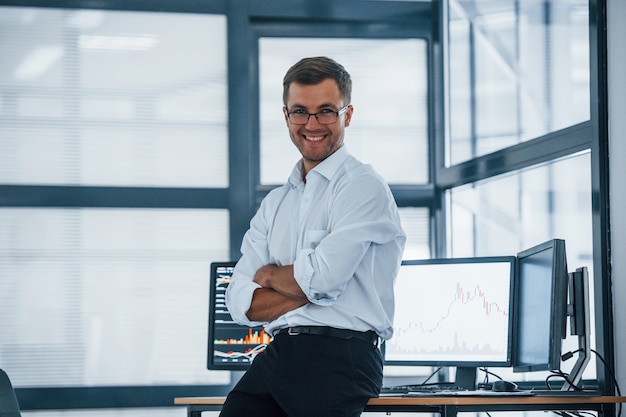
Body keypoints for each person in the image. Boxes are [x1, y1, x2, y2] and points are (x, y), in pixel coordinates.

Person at [220, 56, 406, 417]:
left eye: (326, 111)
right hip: (277, 354)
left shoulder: (362, 187)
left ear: (347, 115)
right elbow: (239, 301)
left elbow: (323, 280)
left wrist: (272, 276)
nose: (312, 124)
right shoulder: (276, 203)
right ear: (286, 116)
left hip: (340, 357)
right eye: (300, 112)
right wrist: (311, 289)